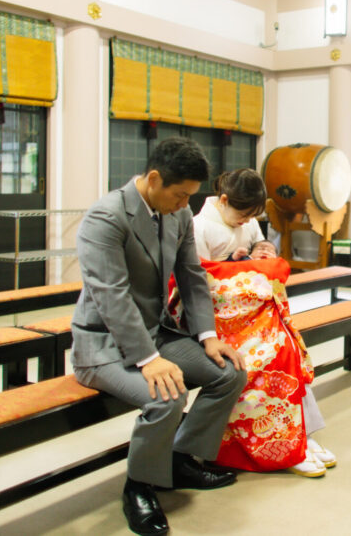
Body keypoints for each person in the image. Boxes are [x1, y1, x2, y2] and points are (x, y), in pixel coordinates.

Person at [71, 137, 247, 536]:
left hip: (155, 333)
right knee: (167, 395)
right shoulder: (106, 217)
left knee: (228, 373)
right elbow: (111, 296)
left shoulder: (178, 215)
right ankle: (139, 487)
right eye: (180, 194)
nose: (185, 204)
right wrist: (149, 359)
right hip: (103, 346)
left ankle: (179, 459)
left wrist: (206, 336)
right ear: (153, 178)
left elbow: (191, 276)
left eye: (190, 196)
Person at [192, 168, 337, 477]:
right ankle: (286, 446)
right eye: (242, 214)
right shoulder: (199, 226)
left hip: (256, 316)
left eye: (252, 217)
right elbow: (197, 283)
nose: (246, 222)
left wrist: (262, 252)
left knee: (291, 352)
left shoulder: (247, 222)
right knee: (277, 356)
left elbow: (262, 257)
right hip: (222, 322)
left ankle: (302, 438)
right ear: (224, 200)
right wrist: (236, 264)